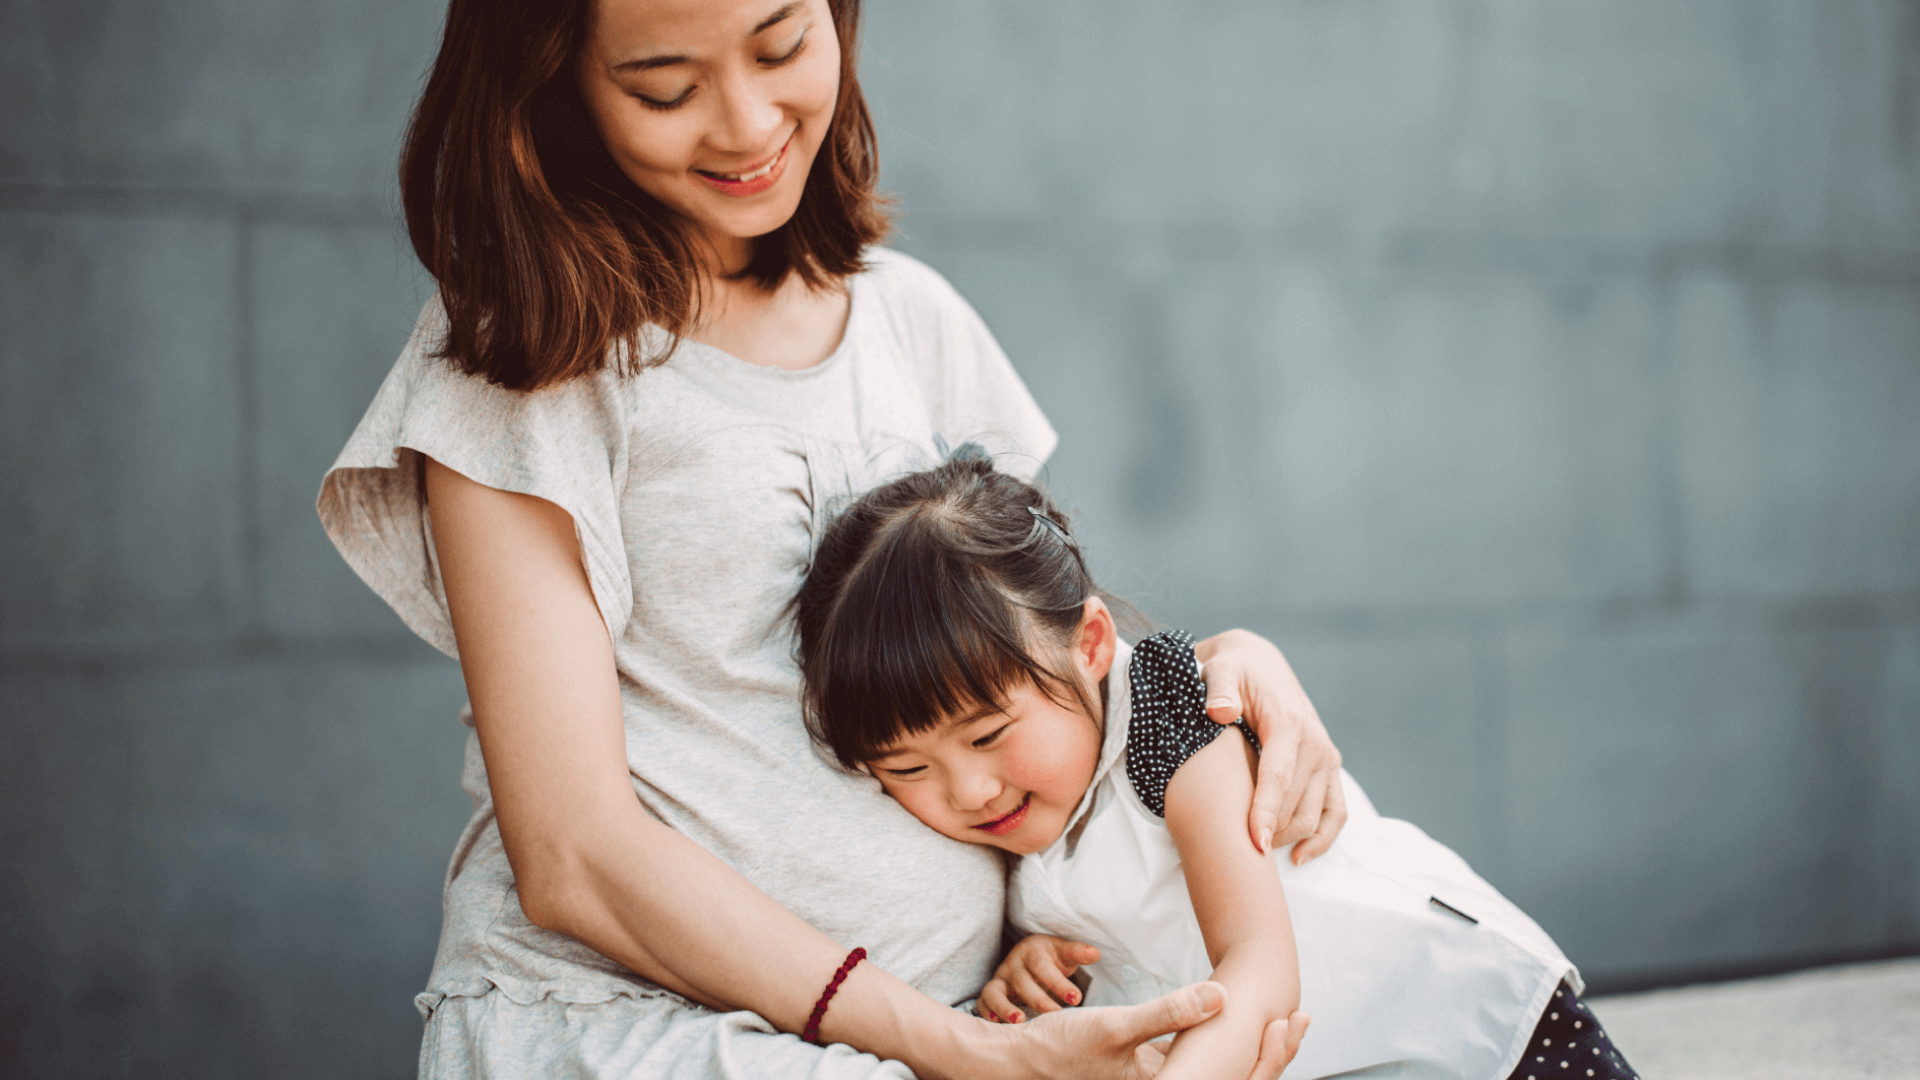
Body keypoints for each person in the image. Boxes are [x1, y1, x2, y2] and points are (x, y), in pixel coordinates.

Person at [318, 0, 1342, 1076]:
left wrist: (1216, 671)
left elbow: (1043, 662)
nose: (747, 122)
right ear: (553, 83)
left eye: (781, 46)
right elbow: (573, 855)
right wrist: (949, 1049)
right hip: (638, 1029)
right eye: (665, 88)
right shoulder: (527, 355)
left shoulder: (914, 320)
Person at [792, 451, 1642, 1080]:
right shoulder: (1017, 830)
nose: (966, 792)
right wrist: (1033, 965)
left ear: (1090, 644)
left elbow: (1261, 964)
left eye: (985, 736)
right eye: (904, 768)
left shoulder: (1170, 712)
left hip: (1459, 1022)